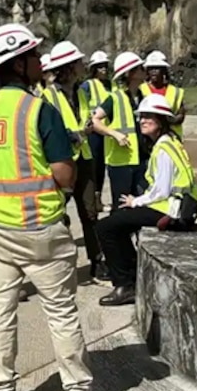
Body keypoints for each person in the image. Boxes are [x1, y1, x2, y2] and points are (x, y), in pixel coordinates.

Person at [0, 23, 99, 391]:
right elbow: (64, 175)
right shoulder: (41, 110)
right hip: (41, 227)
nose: (42, 63)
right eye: (35, 57)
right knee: (61, 312)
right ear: (19, 64)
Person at [96, 94, 197, 307]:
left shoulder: (163, 148)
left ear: (161, 120)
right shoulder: (169, 142)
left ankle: (125, 285)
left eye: (148, 117)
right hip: (175, 207)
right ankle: (133, 276)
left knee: (106, 227)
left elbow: (161, 190)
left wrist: (136, 202)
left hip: (170, 209)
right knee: (118, 223)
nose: (142, 120)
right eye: (141, 116)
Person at [41, 41, 106, 281]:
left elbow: (86, 118)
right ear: (68, 67)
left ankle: (97, 262)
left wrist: (87, 127)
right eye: (78, 62)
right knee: (56, 215)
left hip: (84, 159)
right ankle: (57, 264)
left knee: (90, 214)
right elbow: (48, 130)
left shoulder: (81, 92)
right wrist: (78, 134)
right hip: (61, 161)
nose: (82, 65)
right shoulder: (48, 96)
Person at [91, 51, 148, 201]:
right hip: (121, 162)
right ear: (130, 73)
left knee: (138, 204)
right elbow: (94, 121)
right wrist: (114, 134)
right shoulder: (114, 98)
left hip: (141, 159)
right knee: (121, 206)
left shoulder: (144, 97)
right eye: (140, 68)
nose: (145, 70)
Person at [79, 51, 111, 212]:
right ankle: (95, 199)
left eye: (105, 66)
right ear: (93, 69)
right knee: (95, 165)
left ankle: (98, 198)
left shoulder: (111, 85)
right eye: (100, 67)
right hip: (94, 132)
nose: (103, 70)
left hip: (107, 130)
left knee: (103, 166)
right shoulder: (87, 85)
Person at [140, 50, 186, 136]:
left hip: (172, 137)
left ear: (164, 70)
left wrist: (165, 121)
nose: (153, 71)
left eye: (157, 68)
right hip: (148, 138)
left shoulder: (176, 92)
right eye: (150, 68)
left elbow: (181, 115)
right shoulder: (141, 90)